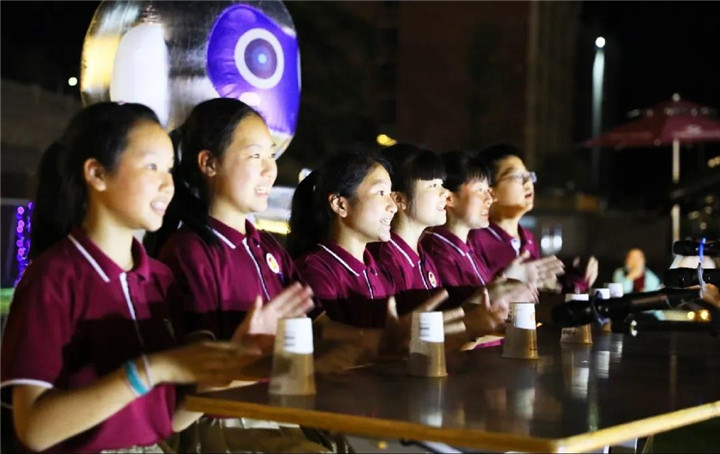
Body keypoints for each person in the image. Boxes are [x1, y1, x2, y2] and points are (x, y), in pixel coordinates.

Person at [0, 103, 302, 453]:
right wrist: (148, 371)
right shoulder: (54, 278)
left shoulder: (159, 280)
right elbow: (35, 430)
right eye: (151, 166)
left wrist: (233, 360)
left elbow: (170, 419)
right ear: (97, 173)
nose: (167, 184)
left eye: (169, 169)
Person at [144, 98, 327, 453]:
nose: (270, 170)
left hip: (283, 410)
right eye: (255, 155)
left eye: (271, 155)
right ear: (209, 163)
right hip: (227, 421)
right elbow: (199, 377)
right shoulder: (191, 251)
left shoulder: (268, 248)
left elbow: (317, 332)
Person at [468, 144, 593, 292]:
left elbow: (540, 291)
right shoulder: (476, 240)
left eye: (529, 176)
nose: (528, 184)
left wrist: (577, 280)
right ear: (490, 191)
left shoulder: (527, 238)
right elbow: (474, 298)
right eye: (517, 177)